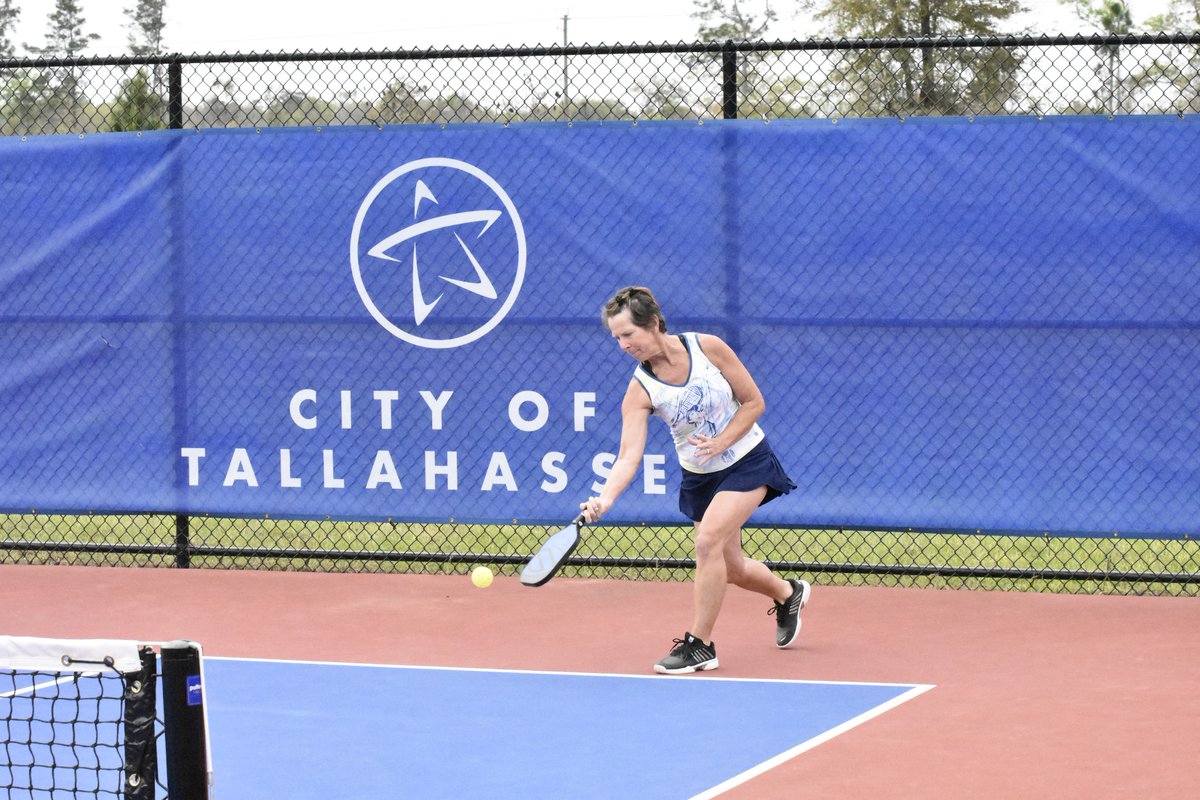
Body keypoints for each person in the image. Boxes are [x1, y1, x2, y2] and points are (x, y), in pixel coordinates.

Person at [581, 286, 810, 674]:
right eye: (616, 337)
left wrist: (722, 440)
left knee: (706, 543)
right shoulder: (640, 390)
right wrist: (604, 499)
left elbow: (754, 402)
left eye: (628, 335)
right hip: (701, 476)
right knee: (731, 568)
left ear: (653, 324)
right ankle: (788, 593)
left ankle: (700, 645)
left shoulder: (709, 349)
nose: (621, 345)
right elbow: (627, 456)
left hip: (746, 460)